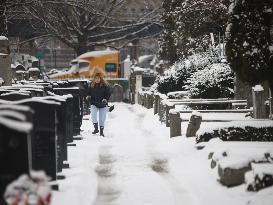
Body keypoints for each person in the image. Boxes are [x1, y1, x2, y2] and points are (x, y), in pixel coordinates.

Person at [87, 71, 111, 137]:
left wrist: (105, 99)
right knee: (93, 116)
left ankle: (101, 132)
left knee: (102, 119)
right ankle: (96, 129)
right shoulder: (91, 86)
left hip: (103, 104)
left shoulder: (105, 86)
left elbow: (108, 94)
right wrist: (88, 97)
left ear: (100, 79)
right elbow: (88, 93)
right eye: (96, 78)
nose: (97, 79)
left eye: (98, 78)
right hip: (94, 103)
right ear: (94, 79)